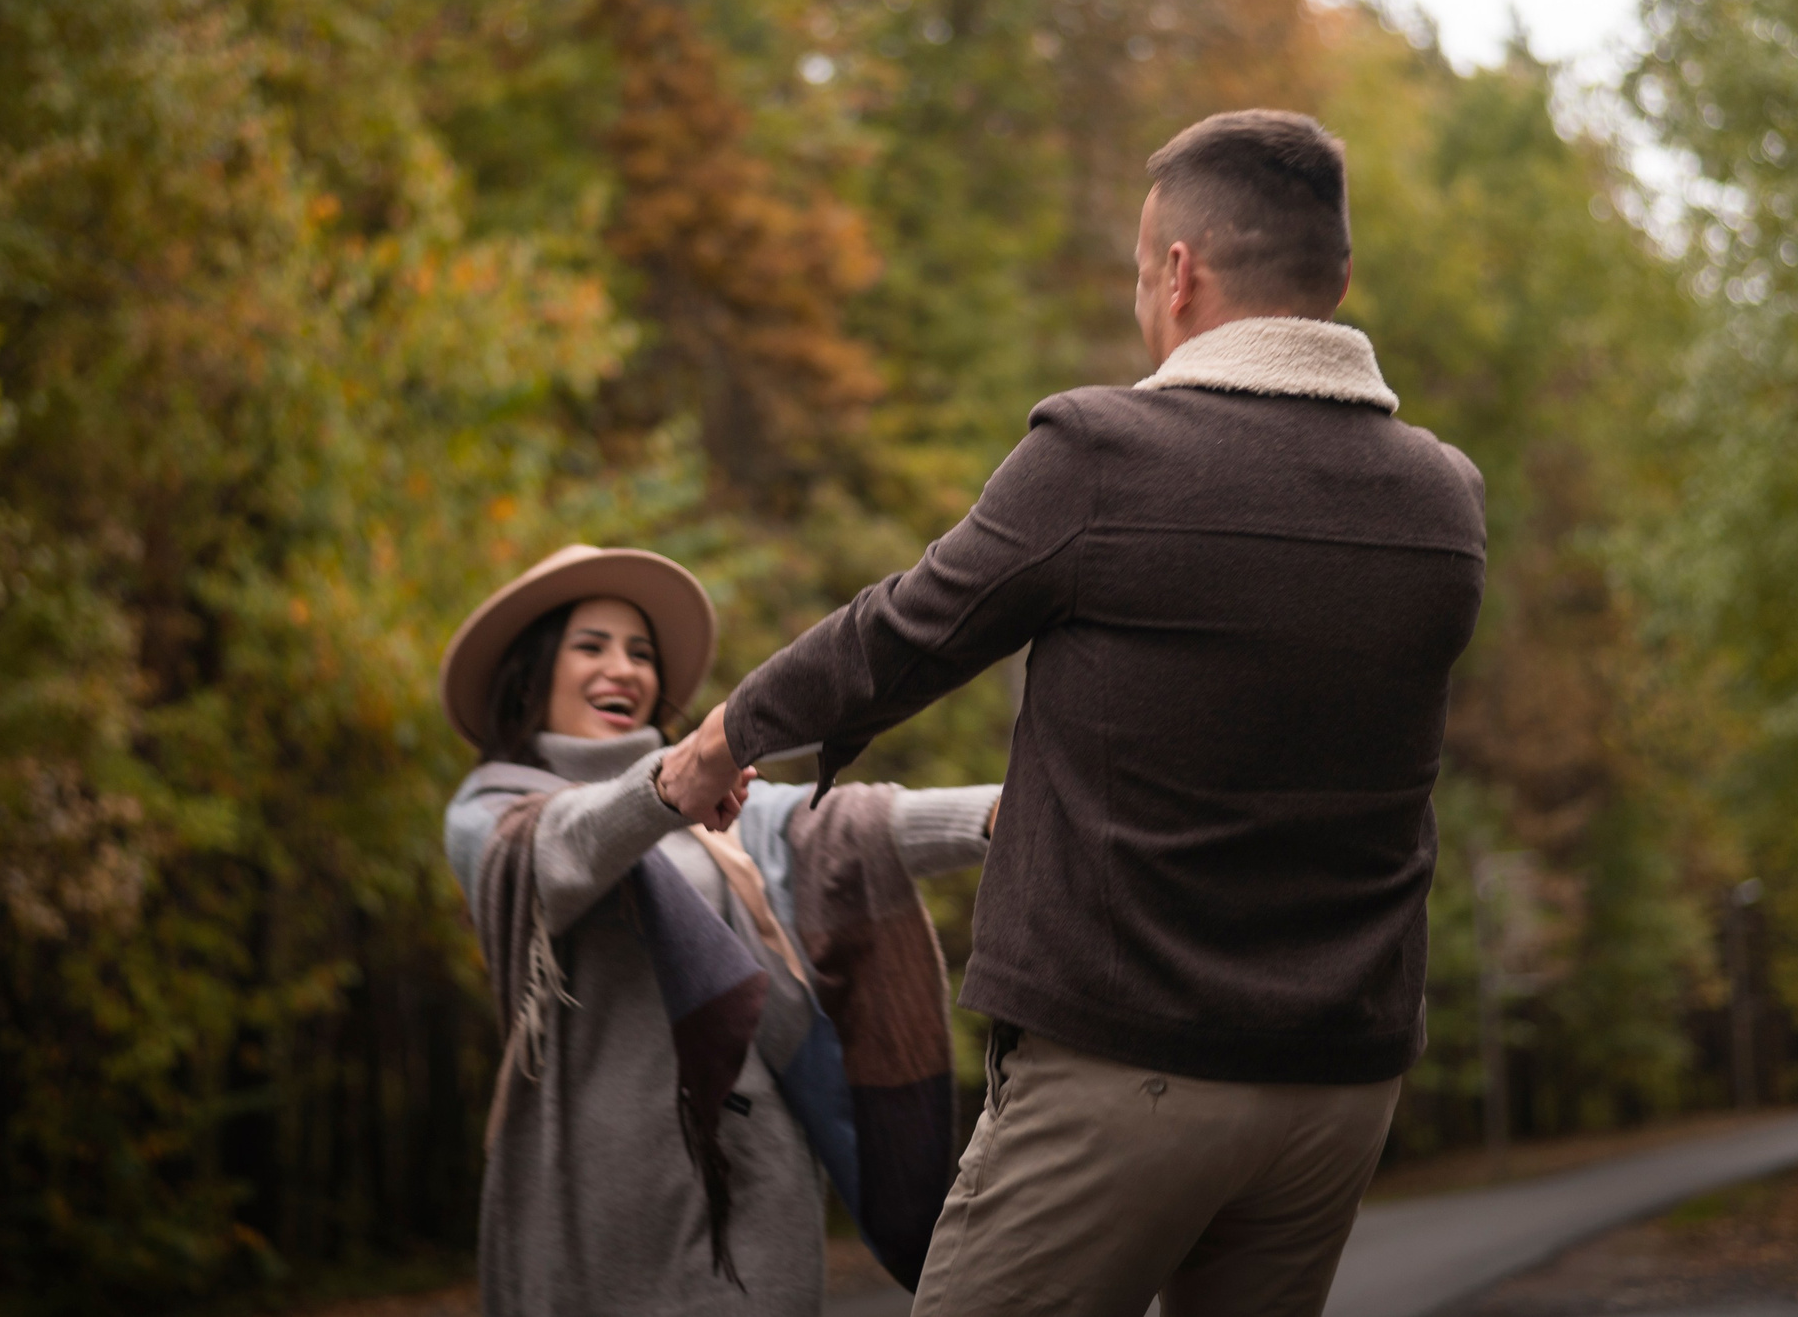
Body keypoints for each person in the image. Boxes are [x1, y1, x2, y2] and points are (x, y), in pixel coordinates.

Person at [659, 110, 1488, 1317]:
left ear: (1178, 271)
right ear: (1339, 281)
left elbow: (902, 633)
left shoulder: (1106, 451)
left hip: (1129, 1067)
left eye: (1140, 271)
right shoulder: (1444, 499)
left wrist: (724, 735)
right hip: (1340, 1087)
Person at [438, 544, 1001, 1315]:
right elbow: (566, 848)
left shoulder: (716, 806)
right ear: (532, 671)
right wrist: (669, 784)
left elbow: (846, 823)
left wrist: (1002, 812)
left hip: (750, 1189)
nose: (625, 668)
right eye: (591, 645)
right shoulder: (488, 816)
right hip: (587, 1195)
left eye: (640, 652)